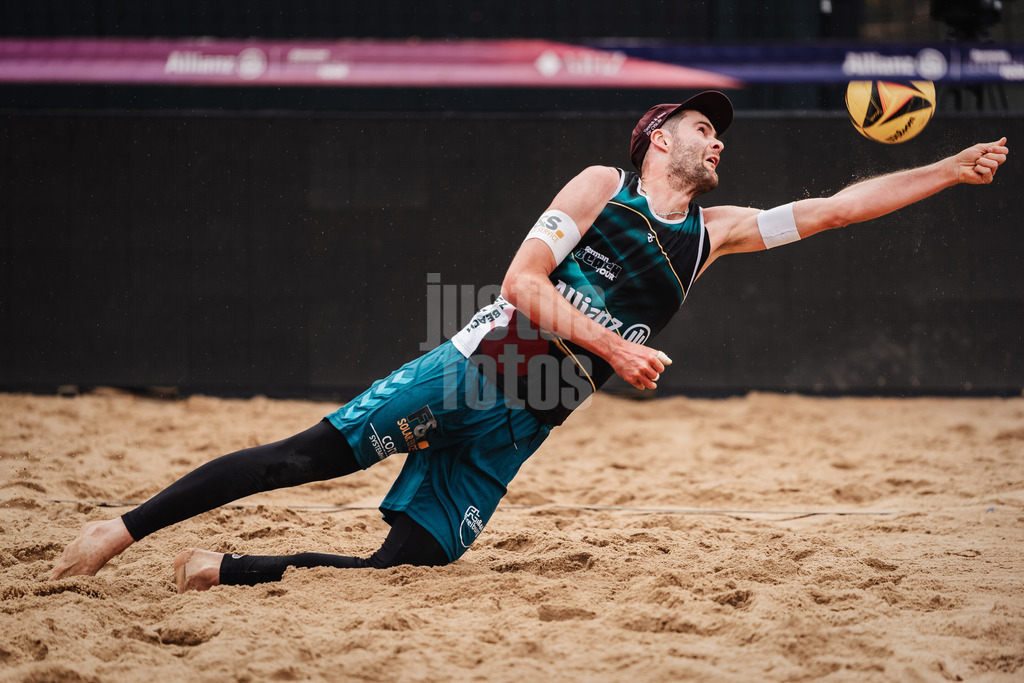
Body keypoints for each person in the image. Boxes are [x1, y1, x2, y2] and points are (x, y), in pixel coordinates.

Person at [49, 91, 1009, 592]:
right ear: (657, 137)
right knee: (302, 457)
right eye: (702, 127)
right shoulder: (602, 186)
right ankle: (117, 532)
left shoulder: (713, 236)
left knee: (407, 570)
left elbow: (837, 208)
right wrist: (616, 350)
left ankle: (225, 569)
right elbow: (521, 284)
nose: (718, 140)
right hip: (477, 370)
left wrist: (946, 168)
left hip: (528, 419)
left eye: (721, 134)